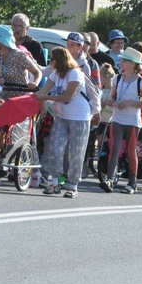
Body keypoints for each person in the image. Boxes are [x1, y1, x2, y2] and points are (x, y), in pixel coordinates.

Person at [35, 47, 92, 198]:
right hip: (61, 116)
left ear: (59, 60)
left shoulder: (74, 73)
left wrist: (47, 98)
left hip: (79, 117)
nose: (50, 62)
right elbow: (43, 91)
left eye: (52, 59)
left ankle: (73, 185)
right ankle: (54, 183)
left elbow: (67, 97)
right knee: (55, 147)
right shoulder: (56, 74)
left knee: (75, 152)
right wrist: (35, 96)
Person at [101, 47, 142, 194]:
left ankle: (132, 182)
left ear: (133, 64)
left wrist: (129, 102)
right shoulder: (118, 78)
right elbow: (113, 96)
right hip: (117, 118)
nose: (121, 62)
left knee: (130, 150)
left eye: (125, 60)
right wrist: (111, 100)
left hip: (133, 120)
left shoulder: (140, 82)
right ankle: (109, 179)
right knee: (114, 147)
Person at [0, 25, 42, 99]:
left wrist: (35, 83)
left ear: (0, 42)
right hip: (3, 97)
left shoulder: (19, 55)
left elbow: (37, 72)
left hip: (20, 99)